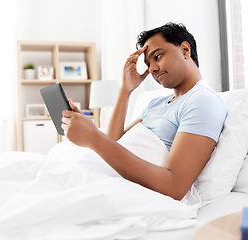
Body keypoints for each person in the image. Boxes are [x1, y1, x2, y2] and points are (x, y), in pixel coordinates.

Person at [61, 22, 227, 201]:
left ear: (185, 50)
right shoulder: (156, 103)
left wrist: (93, 137)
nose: (152, 69)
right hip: (106, 175)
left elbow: (174, 186)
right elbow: (115, 144)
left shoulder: (202, 101)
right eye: (148, 63)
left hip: (125, 190)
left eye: (158, 56)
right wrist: (125, 90)